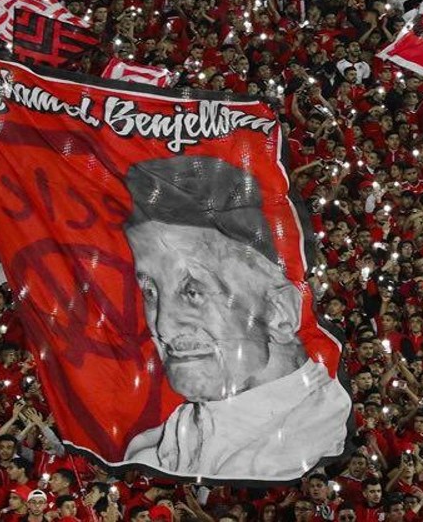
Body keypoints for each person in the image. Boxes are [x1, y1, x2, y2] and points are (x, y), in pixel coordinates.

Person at [121, 156, 351, 479]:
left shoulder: (309, 445)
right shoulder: (155, 448)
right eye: (150, 292)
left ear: (279, 312)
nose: (163, 326)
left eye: (193, 291)